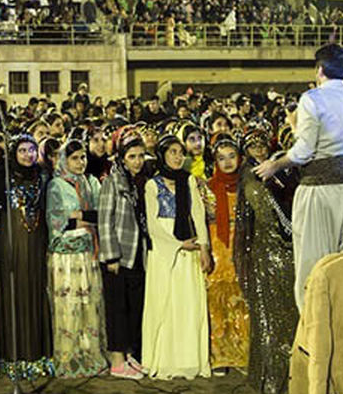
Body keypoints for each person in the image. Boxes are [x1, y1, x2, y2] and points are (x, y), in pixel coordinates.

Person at [256, 45, 343, 310]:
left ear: (319, 70)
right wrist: (297, 128)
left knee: (314, 267)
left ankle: (315, 335)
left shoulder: (312, 99)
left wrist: (275, 165)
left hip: (320, 190)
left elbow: (305, 152)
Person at [141, 134, 210, 380]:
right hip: (165, 251)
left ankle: (189, 360)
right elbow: (152, 224)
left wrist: (204, 248)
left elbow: (198, 215)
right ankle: (165, 360)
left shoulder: (188, 181)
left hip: (189, 250)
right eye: (172, 152)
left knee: (187, 304)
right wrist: (178, 244)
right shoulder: (152, 185)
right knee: (166, 305)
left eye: (181, 152)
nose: (178, 157)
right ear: (162, 155)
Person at [233, 142, 298, 394]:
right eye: (252, 146)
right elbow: (263, 215)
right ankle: (273, 374)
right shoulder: (251, 178)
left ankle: (297, 372)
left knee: (292, 308)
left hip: (291, 250)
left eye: (262, 145)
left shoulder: (286, 172)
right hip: (266, 251)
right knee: (270, 313)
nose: (258, 151)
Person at [0, 134, 53, 380]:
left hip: (37, 240)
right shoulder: (3, 177)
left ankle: (38, 354)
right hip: (12, 242)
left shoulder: (43, 177)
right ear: (12, 154)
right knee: (15, 291)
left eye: (32, 150)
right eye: (22, 151)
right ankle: (15, 356)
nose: (28, 155)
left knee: (36, 290)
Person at [46, 139, 107, 377]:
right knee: (69, 306)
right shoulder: (56, 186)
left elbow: (100, 214)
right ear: (64, 160)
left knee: (90, 305)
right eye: (74, 158)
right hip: (67, 258)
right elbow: (59, 221)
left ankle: (91, 353)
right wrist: (80, 218)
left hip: (89, 253)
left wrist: (79, 216)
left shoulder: (91, 182)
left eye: (83, 157)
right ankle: (69, 357)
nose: (80, 162)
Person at [98, 129, 150, 379]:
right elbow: (104, 220)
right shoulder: (112, 182)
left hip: (137, 254)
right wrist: (111, 256)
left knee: (133, 308)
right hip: (118, 255)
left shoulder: (138, 181)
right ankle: (117, 360)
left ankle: (129, 355)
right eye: (132, 156)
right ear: (122, 158)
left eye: (141, 156)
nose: (138, 161)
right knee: (117, 309)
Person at [204, 135, 250, 372]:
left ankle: (242, 354)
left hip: (242, 246)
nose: (228, 162)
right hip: (216, 249)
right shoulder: (207, 188)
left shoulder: (248, 186)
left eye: (232, 156)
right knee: (217, 300)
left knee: (241, 300)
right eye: (221, 158)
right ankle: (219, 356)